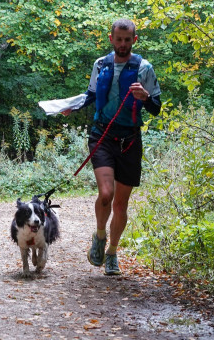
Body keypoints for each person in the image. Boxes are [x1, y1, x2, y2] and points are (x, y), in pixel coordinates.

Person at [62, 18, 162, 275]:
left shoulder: (145, 69)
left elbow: (156, 108)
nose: (122, 44)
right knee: (106, 194)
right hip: (102, 136)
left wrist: (146, 97)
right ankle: (99, 235)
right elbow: (92, 95)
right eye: (118, 39)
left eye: (127, 40)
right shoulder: (101, 64)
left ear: (134, 40)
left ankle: (112, 253)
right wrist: (71, 107)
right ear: (111, 39)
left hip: (130, 139)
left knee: (120, 204)